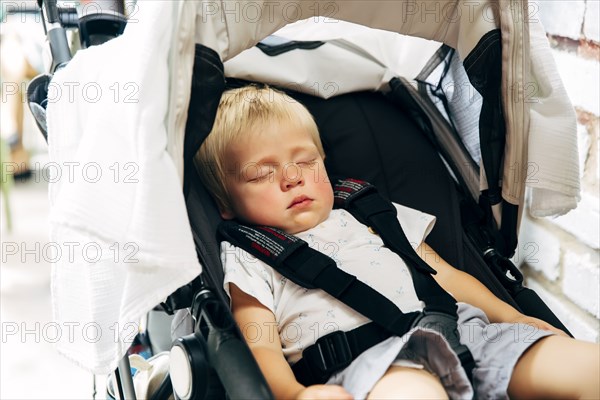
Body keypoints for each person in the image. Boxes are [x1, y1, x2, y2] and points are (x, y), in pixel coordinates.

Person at [195, 85, 600, 399]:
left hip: (466, 333)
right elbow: (259, 344)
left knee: (588, 368)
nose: (291, 177)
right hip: (372, 366)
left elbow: (445, 274)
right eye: (260, 173)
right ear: (225, 203)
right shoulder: (249, 256)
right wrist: (294, 393)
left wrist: (512, 317)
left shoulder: (368, 212)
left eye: (304, 161)